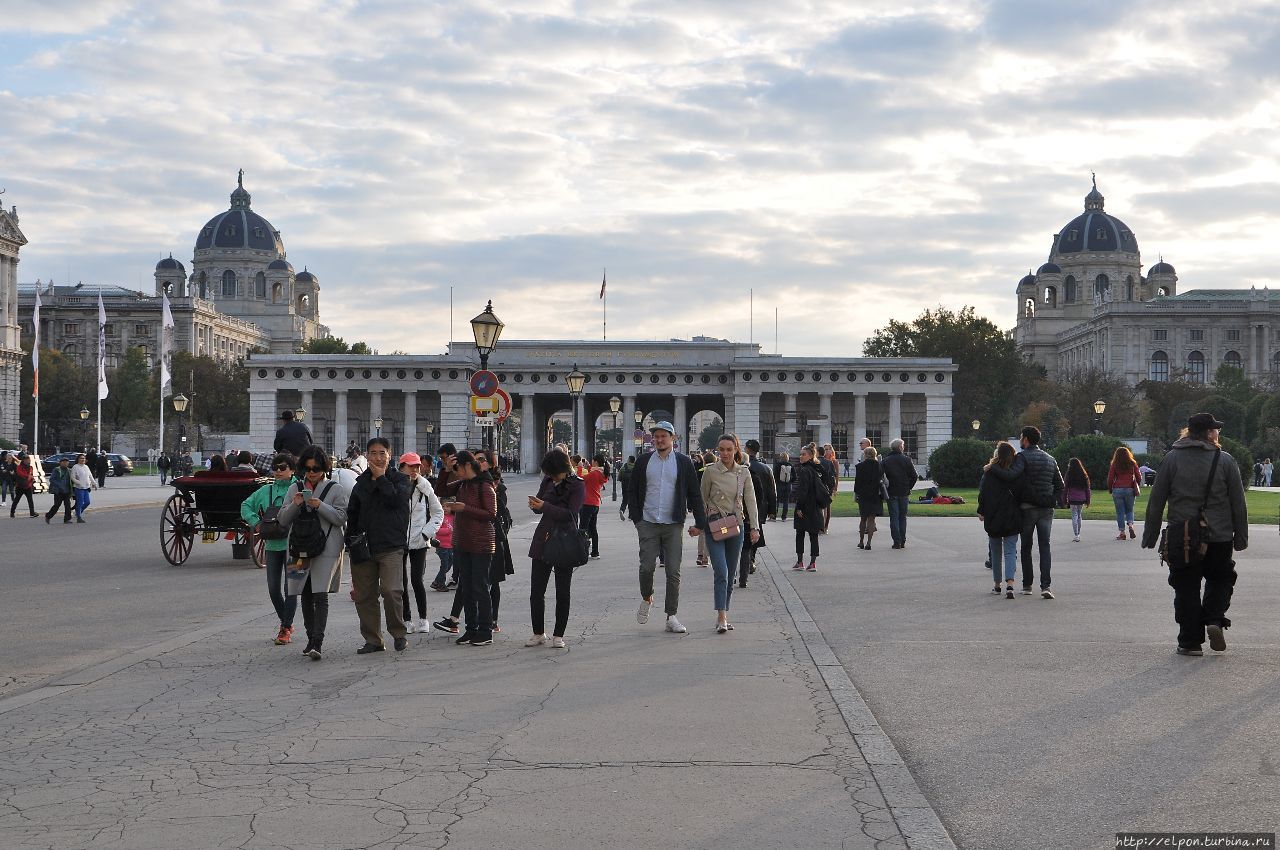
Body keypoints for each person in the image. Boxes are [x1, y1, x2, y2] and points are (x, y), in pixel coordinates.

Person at [1141, 412, 1248, 656]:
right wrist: (1241, 536)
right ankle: (1214, 618)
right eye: (1215, 430)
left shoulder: (1172, 459)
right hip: (1219, 534)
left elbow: (1157, 501)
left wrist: (1151, 534)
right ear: (1209, 433)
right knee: (1221, 578)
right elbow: (1238, 503)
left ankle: (1190, 642)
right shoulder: (1226, 460)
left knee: (1186, 587)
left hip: (1184, 535)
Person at [625, 420, 707, 635]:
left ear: (673, 438)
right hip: (648, 521)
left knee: (673, 571)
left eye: (664, 436)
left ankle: (671, 615)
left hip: (673, 524)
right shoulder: (644, 462)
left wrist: (701, 523)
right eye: (656, 436)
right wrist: (637, 518)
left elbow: (694, 494)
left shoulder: (683, 463)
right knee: (646, 568)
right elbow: (632, 491)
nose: (660, 440)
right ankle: (647, 597)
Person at [346, 437, 414, 654]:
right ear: (366, 456)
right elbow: (353, 513)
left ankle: (399, 633)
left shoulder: (401, 480)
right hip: (364, 546)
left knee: (392, 590)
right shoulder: (360, 483)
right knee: (364, 595)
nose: (377, 457)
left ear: (389, 455)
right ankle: (373, 639)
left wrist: (382, 478)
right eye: (373, 453)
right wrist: (351, 540)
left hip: (391, 545)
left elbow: (395, 501)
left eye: (381, 453)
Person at [985, 426, 1064, 598]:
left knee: (1026, 547)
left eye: (1021, 437)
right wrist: (1051, 500)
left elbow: (1011, 475)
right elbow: (1060, 485)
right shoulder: (1050, 459)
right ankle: (1046, 586)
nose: (1020, 440)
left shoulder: (1022, 457)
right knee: (1045, 547)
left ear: (1026, 439)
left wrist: (992, 467)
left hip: (1027, 508)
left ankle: (1027, 585)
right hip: (1046, 509)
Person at [525, 449, 585, 649]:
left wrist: (544, 507)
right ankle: (538, 632)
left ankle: (558, 634)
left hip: (564, 539)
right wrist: (535, 504)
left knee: (562, 591)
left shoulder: (577, 485)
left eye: (553, 473)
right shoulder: (548, 481)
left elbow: (571, 514)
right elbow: (540, 504)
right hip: (543, 536)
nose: (550, 477)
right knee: (536, 590)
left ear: (562, 469)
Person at [700, 434, 759, 633]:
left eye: (729, 449)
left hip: (736, 526)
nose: (724, 454)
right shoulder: (710, 472)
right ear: (717, 450)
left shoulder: (743, 473)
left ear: (736, 450)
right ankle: (721, 615)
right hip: (715, 526)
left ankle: (725, 612)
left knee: (731, 573)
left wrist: (755, 527)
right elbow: (702, 498)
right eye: (721, 450)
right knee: (722, 572)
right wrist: (701, 523)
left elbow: (750, 501)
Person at [241, 453, 300, 645]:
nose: (279, 471)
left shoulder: (299, 489)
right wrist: (255, 522)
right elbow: (245, 505)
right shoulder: (265, 490)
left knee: (290, 588)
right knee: (274, 589)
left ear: (292, 470)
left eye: (283, 468)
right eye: (276, 468)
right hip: (273, 545)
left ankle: (285, 628)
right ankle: (287, 623)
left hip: (295, 546)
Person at [442, 450, 498, 646]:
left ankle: (485, 630)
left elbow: (491, 514)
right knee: (466, 587)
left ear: (467, 466)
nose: (456, 474)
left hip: (481, 543)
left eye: (457, 469)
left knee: (480, 587)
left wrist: (464, 508)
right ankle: (471, 629)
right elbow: (441, 489)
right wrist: (446, 469)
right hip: (463, 542)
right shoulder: (463, 484)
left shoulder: (484, 485)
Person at [399, 452, 444, 635]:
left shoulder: (425, 487)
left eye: (417, 466)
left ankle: (423, 618)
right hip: (399, 539)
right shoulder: (394, 486)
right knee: (401, 581)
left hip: (419, 538)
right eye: (411, 466)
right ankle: (407, 619)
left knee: (417, 580)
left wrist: (427, 533)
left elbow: (438, 512)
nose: (415, 470)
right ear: (402, 467)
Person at [978, 442, 1022, 599]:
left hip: (993, 515)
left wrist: (981, 511)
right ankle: (1010, 584)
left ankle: (997, 585)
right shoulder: (1015, 472)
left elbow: (983, 494)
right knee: (1010, 551)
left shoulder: (989, 473)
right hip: (1011, 515)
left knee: (995, 553)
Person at [478, 449, 513, 634]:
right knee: (478, 581)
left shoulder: (497, 487)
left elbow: (497, 512)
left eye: (482, 460)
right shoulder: (473, 482)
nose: (478, 462)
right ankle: (475, 619)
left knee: (493, 581)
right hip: (477, 538)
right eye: (476, 459)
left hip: (494, 538)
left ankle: (492, 619)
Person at [738, 439, 774, 587]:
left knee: (741, 540)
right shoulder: (765, 469)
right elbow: (771, 491)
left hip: (741, 512)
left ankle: (740, 567)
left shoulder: (739, 471)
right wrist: (772, 510)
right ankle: (751, 560)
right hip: (759, 509)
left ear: (746, 449)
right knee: (753, 536)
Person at [792, 444, 828, 570]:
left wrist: (799, 507)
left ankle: (800, 561)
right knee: (813, 535)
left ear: (811, 455)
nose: (801, 456)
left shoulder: (804, 470)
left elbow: (803, 490)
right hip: (816, 505)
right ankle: (813, 562)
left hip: (806, 505)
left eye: (803, 454)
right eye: (800, 454)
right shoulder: (818, 469)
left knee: (800, 533)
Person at [881, 439, 919, 549]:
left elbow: (882, 477)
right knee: (903, 517)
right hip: (904, 491)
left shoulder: (886, 460)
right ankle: (903, 540)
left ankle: (896, 541)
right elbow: (914, 476)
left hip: (891, 491)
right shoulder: (907, 460)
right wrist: (909, 487)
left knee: (894, 517)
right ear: (900, 447)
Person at [1107, 445, 1142, 541]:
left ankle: (1122, 533)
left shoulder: (1115, 464)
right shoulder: (1132, 463)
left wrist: (1110, 488)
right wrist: (1137, 484)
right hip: (1130, 489)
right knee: (1130, 510)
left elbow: (1110, 478)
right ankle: (1130, 525)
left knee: (1120, 512)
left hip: (1117, 490)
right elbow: (1139, 477)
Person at [853, 446, 883, 549]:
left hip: (863, 495)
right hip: (875, 495)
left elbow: (857, 484)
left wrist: (856, 494)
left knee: (863, 519)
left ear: (865, 455)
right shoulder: (879, 466)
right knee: (871, 519)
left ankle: (861, 541)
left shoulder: (860, 466)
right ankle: (869, 543)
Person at [580, 454, 608, 559]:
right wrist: (587, 467)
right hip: (595, 504)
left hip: (587, 503)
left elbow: (580, 479)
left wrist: (579, 468)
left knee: (583, 529)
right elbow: (593, 476)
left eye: (592, 461)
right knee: (593, 529)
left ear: (595, 462)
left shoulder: (594, 474)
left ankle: (582, 552)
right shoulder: (601, 473)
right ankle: (595, 552)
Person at [1063, 457, 1091, 543]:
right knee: (1079, 515)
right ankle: (1078, 533)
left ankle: (1076, 534)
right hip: (1081, 499)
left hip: (1072, 498)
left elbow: (1065, 488)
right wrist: (1088, 500)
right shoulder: (1083, 475)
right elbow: (1087, 489)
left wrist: (1064, 499)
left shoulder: (1069, 475)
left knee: (1074, 515)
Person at [44, 456, 74, 524]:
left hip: (67, 491)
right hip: (58, 491)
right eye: (64, 462)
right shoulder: (57, 470)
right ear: (60, 463)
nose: (65, 463)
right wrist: (59, 485)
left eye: (67, 462)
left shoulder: (69, 470)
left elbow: (72, 480)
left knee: (68, 505)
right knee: (57, 505)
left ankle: (67, 519)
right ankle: (48, 516)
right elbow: (52, 479)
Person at [9, 454, 37, 518]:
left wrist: (32, 479)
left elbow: (31, 474)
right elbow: (20, 473)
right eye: (26, 459)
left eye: (28, 459)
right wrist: (28, 476)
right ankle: (12, 512)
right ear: (23, 460)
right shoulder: (19, 467)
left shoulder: (30, 467)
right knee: (16, 500)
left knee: (30, 500)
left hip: (28, 486)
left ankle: (32, 513)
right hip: (20, 486)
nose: (28, 461)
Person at [819, 444, 839, 533]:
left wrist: (835, 488)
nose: (827, 451)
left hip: (829, 486)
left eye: (828, 449)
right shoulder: (819, 461)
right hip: (821, 486)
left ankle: (825, 526)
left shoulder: (833, 461)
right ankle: (820, 525)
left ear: (831, 450)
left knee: (827, 507)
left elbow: (836, 476)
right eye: (825, 449)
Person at [71, 453, 95, 523]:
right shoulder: (75, 467)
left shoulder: (86, 467)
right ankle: (79, 517)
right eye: (81, 458)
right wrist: (78, 482)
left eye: (84, 458)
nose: (83, 459)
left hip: (86, 487)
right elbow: (72, 477)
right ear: (78, 459)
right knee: (80, 502)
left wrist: (94, 483)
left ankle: (78, 512)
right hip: (78, 488)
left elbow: (90, 476)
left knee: (87, 502)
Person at [773, 451, 794, 521]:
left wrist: (777, 482)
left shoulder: (778, 465)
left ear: (780, 458)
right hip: (788, 485)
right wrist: (790, 481)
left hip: (779, 485)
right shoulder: (791, 465)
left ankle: (774, 516)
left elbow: (774, 475)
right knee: (786, 501)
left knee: (777, 501)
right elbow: (795, 477)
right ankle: (784, 517)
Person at [618, 455, 635, 520]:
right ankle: (630, 516)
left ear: (629, 460)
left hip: (624, 485)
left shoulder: (624, 467)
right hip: (633, 486)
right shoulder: (636, 467)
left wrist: (621, 480)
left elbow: (619, 477)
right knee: (632, 500)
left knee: (625, 499)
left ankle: (622, 510)